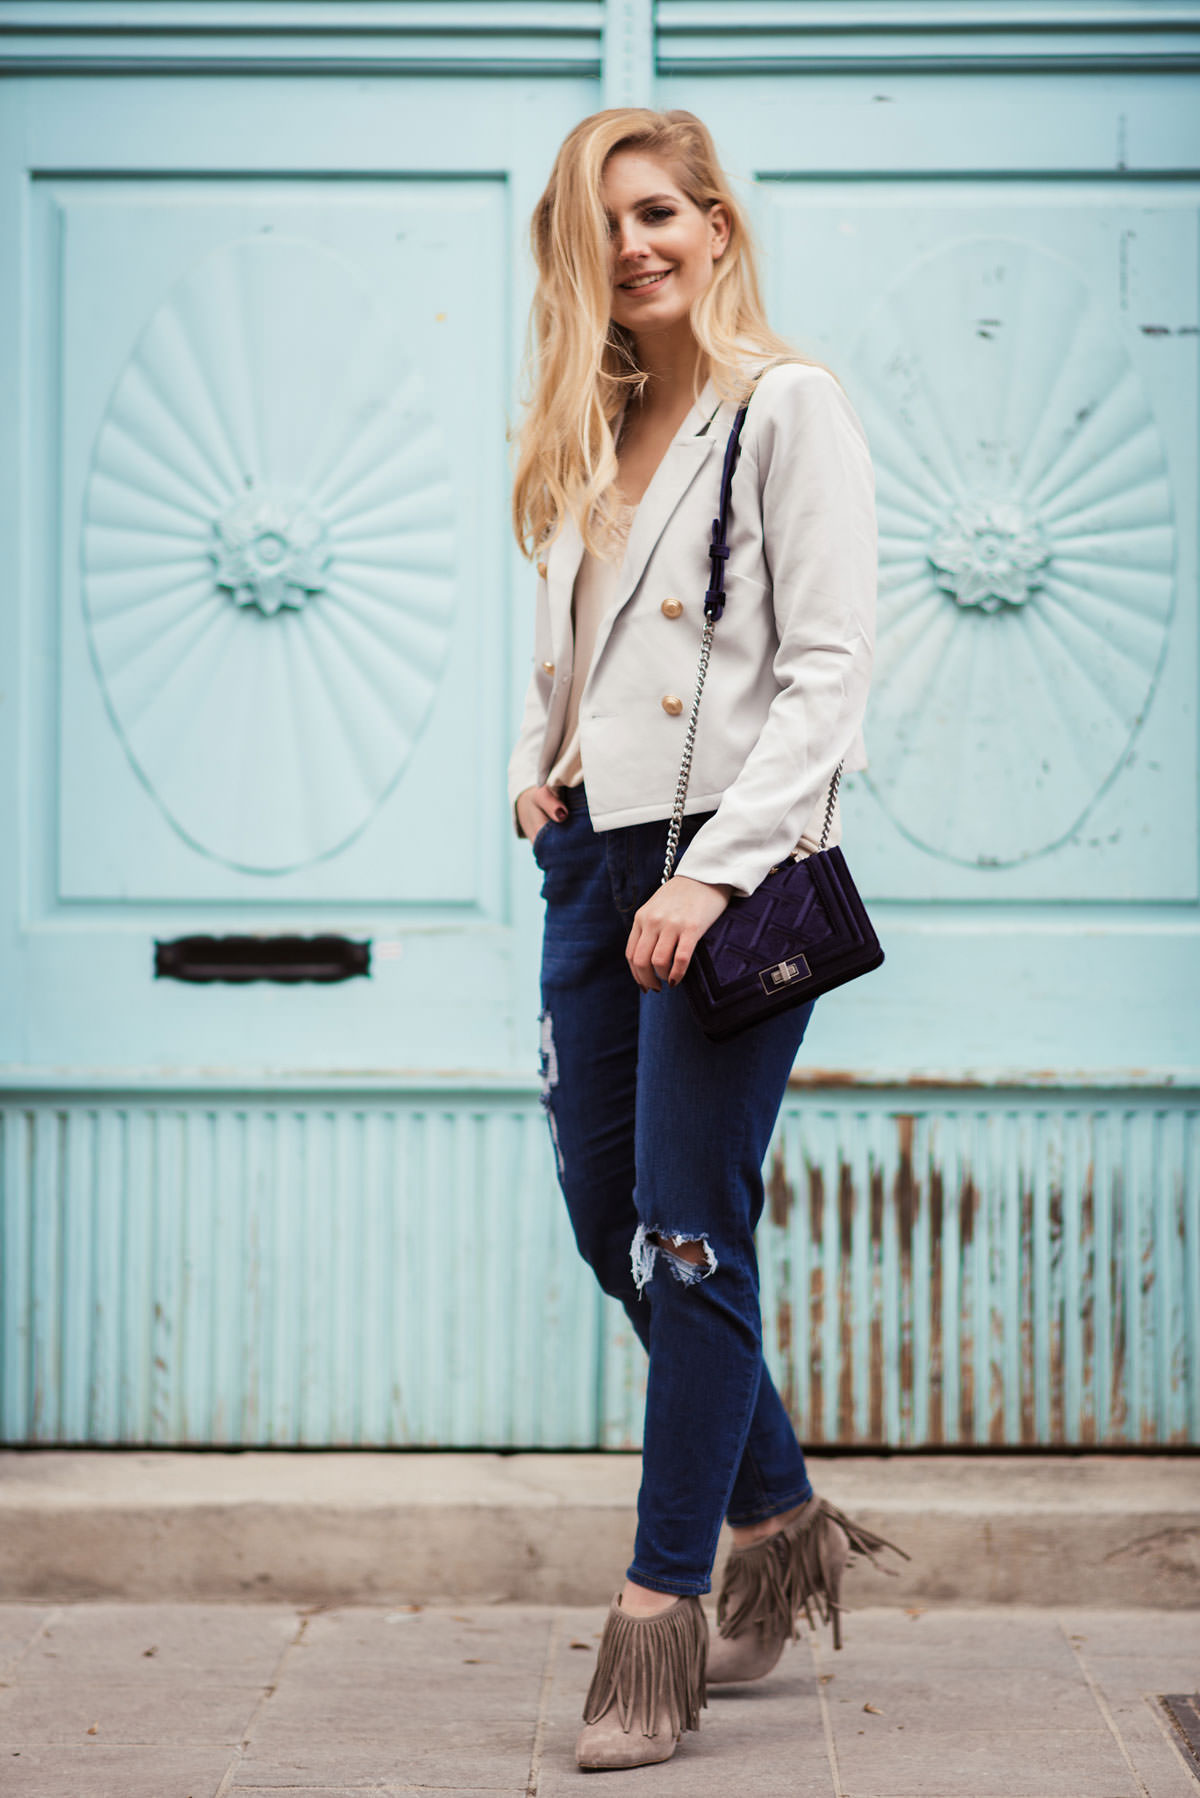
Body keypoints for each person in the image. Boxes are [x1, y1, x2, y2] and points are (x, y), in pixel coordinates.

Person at [507, 107, 907, 1772]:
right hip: (594, 864)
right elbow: (585, 645)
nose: (637, 244)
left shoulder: (784, 406)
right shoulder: (594, 425)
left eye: (662, 212)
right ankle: (780, 1512)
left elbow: (827, 673)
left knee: (688, 1237)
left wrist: (715, 874)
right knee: (610, 1219)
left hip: (724, 878)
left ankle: (662, 1616)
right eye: (606, 224)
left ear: (717, 227)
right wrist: (536, 763)